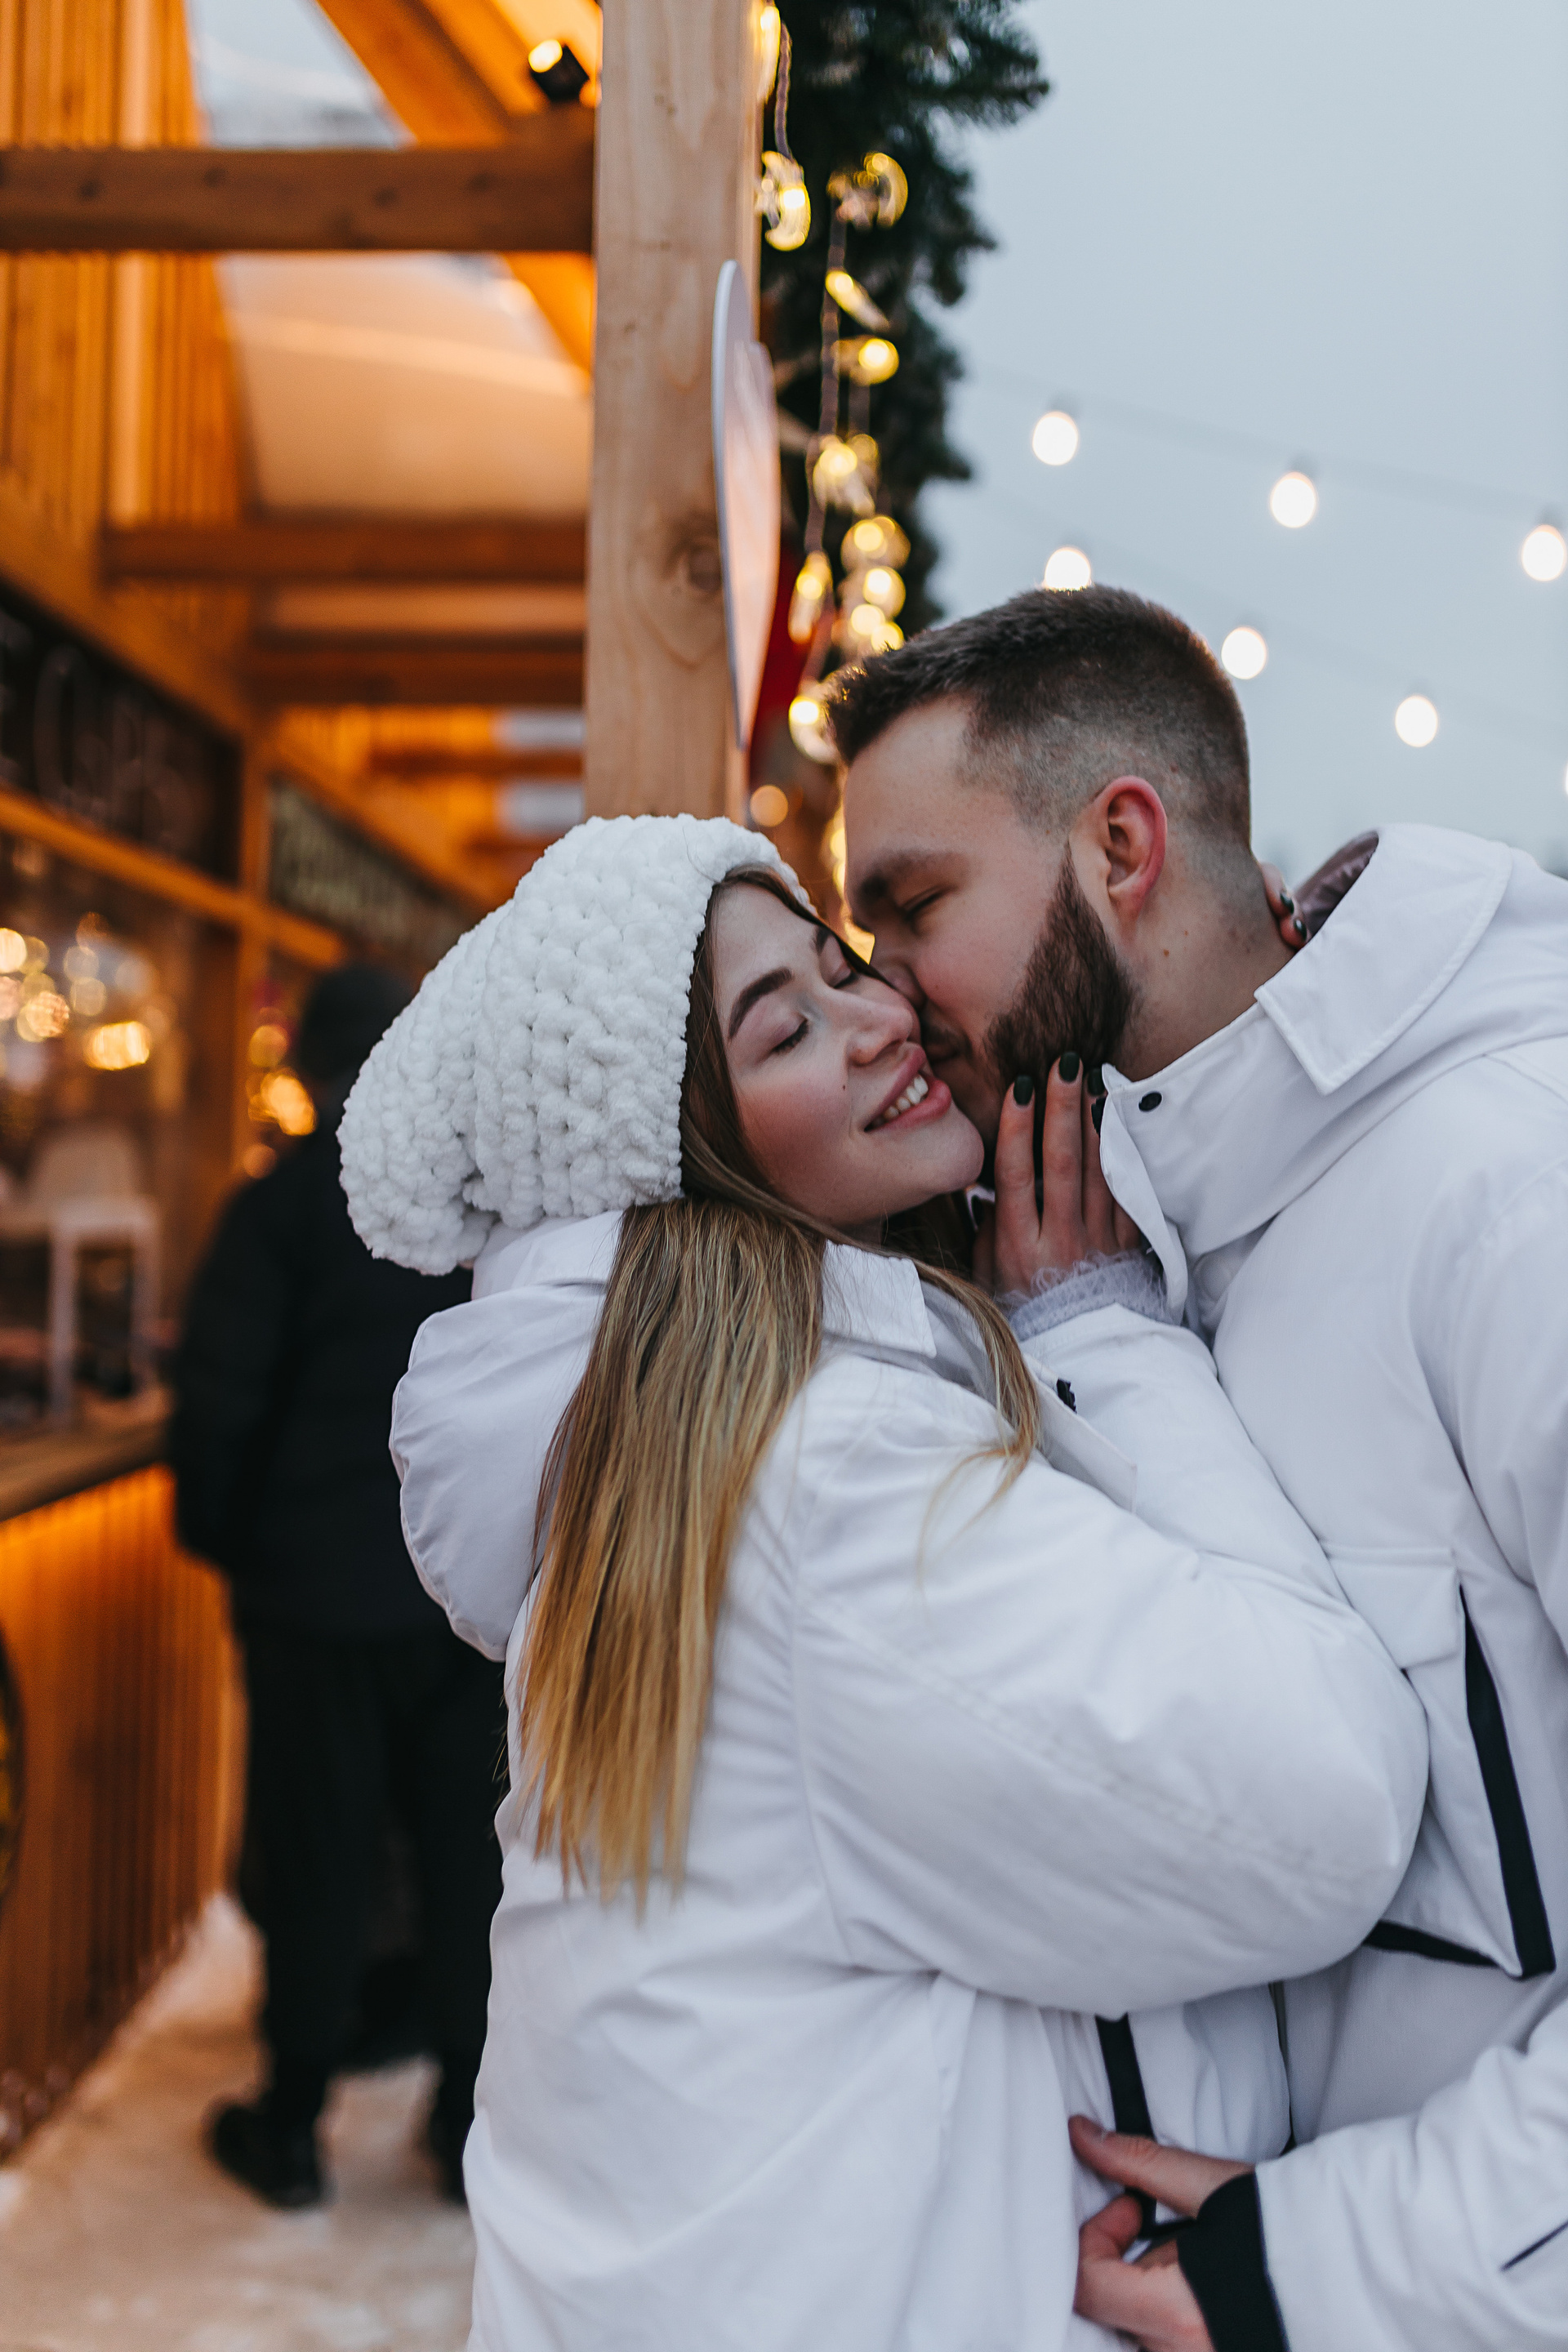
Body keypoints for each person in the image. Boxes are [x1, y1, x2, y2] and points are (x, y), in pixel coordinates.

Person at [340, 813, 1427, 2352]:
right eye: (782, 1029)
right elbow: (1324, 1805)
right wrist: (1106, 1334)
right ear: (689, 1163)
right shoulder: (822, 1487)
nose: (878, 1019)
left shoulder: (692, 1480)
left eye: (842, 967)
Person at [832, 583, 1568, 2352]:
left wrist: (1316, 2266)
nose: (883, 1000)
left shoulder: (1510, 1193)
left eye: (914, 909)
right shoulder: (1084, 1247)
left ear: (1122, 846)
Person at [172, 963, 503, 2209]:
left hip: (315, 1600)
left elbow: (220, 1407)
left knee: (317, 1856)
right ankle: (465, 2122)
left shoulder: (278, 1211)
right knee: (469, 1862)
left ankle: (293, 2123)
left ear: (313, 1070)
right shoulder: (480, 1213)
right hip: (461, 1597)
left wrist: (237, 1545)